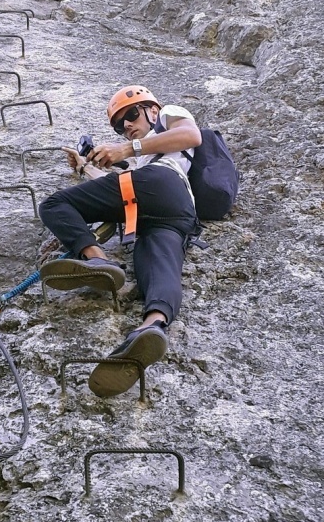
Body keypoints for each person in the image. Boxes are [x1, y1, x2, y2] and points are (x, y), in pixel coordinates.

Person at [39, 85, 202, 397]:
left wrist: (127, 149)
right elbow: (117, 186)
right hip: (172, 212)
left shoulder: (168, 114)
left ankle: (97, 260)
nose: (126, 126)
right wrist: (86, 166)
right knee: (157, 268)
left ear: (151, 109)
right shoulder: (142, 157)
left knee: (53, 205)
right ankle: (152, 327)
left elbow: (192, 136)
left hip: (158, 185)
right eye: (119, 125)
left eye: (131, 115)